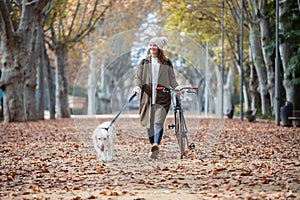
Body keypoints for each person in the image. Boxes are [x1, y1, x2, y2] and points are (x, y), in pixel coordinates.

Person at [132, 36, 182, 159]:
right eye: (151, 45)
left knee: (158, 122)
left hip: (162, 97)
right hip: (147, 96)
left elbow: (172, 79)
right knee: (149, 124)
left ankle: (155, 144)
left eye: (155, 45)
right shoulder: (144, 62)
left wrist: (177, 88)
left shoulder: (167, 62)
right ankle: (153, 147)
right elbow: (138, 78)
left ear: (159, 48)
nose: (152, 47)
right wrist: (137, 87)